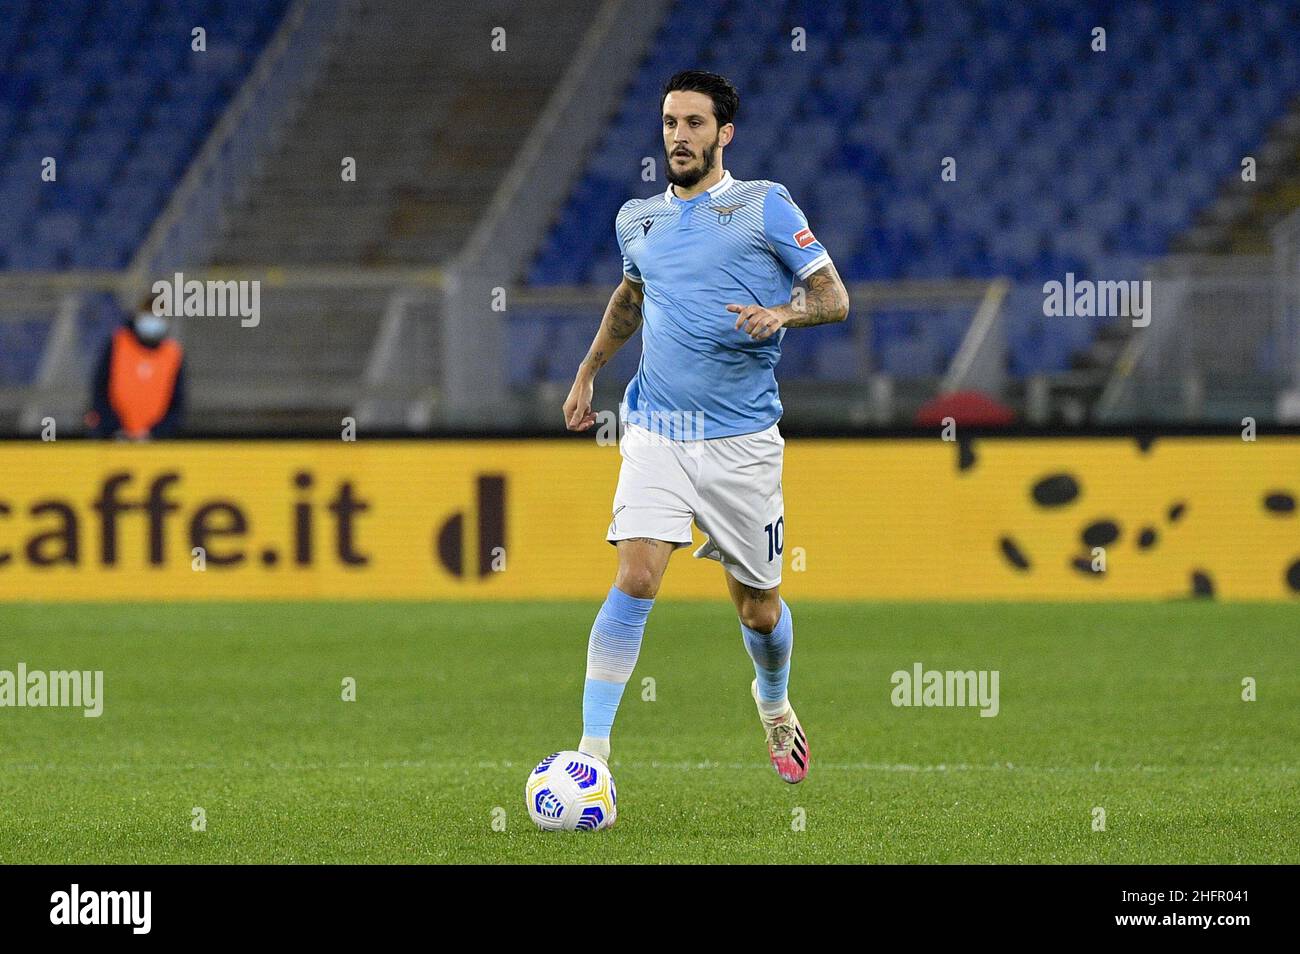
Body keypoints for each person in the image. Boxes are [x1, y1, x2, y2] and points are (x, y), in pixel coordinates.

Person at [562, 70, 850, 782]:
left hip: (742, 441)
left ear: (724, 133)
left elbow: (833, 296)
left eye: (694, 123)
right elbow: (630, 297)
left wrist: (785, 314)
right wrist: (588, 371)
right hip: (656, 427)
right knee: (636, 573)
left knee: (757, 610)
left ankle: (774, 703)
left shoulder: (766, 206)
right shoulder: (638, 218)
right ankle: (591, 754)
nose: (678, 137)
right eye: (669, 123)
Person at [88, 294, 186, 440]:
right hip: (112, 438)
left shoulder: (173, 354)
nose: (153, 321)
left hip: (155, 443)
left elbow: (177, 404)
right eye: (149, 315)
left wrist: (155, 433)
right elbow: (99, 390)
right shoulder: (118, 344)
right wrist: (114, 428)